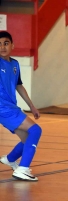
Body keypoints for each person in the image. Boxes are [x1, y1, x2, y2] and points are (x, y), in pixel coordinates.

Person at [0, 31, 42, 181]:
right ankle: (22, 169)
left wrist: (32, 106)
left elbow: (19, 86)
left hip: (11, 107)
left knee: (27, 138)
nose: (2, 47)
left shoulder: (15, 64)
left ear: (12, 45)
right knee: (36, 130)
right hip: (3, 108)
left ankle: (10, 159)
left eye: (5, 43)